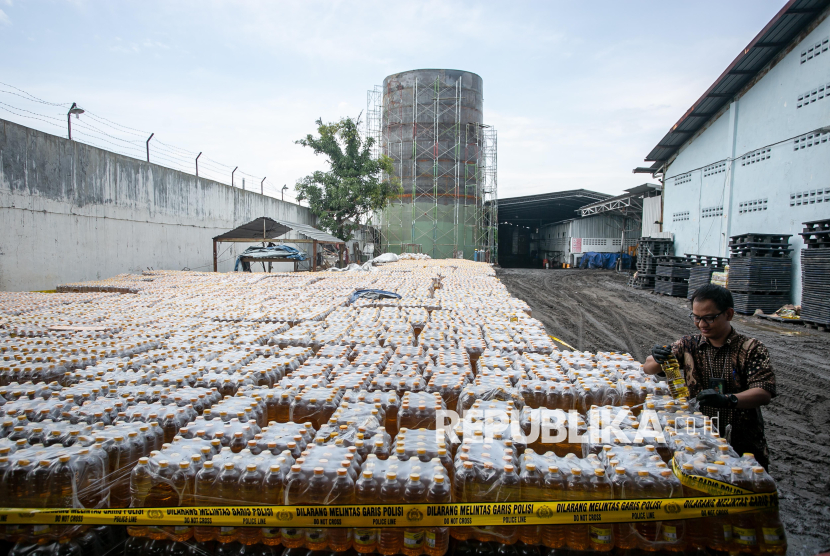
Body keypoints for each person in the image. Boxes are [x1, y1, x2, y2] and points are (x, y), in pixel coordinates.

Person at [643, 284, 777, 469]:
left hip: (741, 440)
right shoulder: (689, 344)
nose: (701, 325)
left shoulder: (751, 348)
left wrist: (728, 400)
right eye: (696, 318)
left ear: (728, 314)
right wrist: (658, 357)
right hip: (697, 437)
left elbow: (763, 391)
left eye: (709, 318)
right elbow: (648, 368)